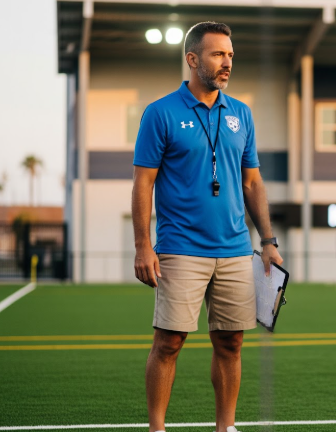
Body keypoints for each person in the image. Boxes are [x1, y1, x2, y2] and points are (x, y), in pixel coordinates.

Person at [131, 22, 283, 432]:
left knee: (232, 343)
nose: (227, 62)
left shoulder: (242, 114)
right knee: (169, 342)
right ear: (193, 59)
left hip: (236, 248)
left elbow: (252, 182)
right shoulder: (160, 112)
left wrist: (267, 242)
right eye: (218, 54)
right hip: (180, 248)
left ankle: (226, 427)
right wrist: (143, 245)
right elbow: (143, 182)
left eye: (230, 54)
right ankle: (157, 428)